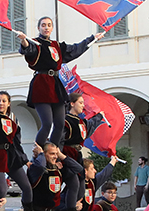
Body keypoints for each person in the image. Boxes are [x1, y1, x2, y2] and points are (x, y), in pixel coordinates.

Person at [17, 16, 104, 147]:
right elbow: (29, 50)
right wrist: (24, 41)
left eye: (49, 25)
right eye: (43, 25)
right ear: (39, 28)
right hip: (41, 83)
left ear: (52, 28)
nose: (46, 27)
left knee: (60, 123)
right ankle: (38, 150)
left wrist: (93, 39)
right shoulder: (35, 42)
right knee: (47, 123)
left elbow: (75, 49)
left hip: (55, 84)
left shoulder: (57, 46)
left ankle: (53, 151)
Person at [62, 93, 89, 160]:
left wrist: (99, 116)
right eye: (80, 103)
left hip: (76, 153)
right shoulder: (65, 120)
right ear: (72, 104)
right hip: (67, 153)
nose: (83, 105)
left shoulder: (81, 121)